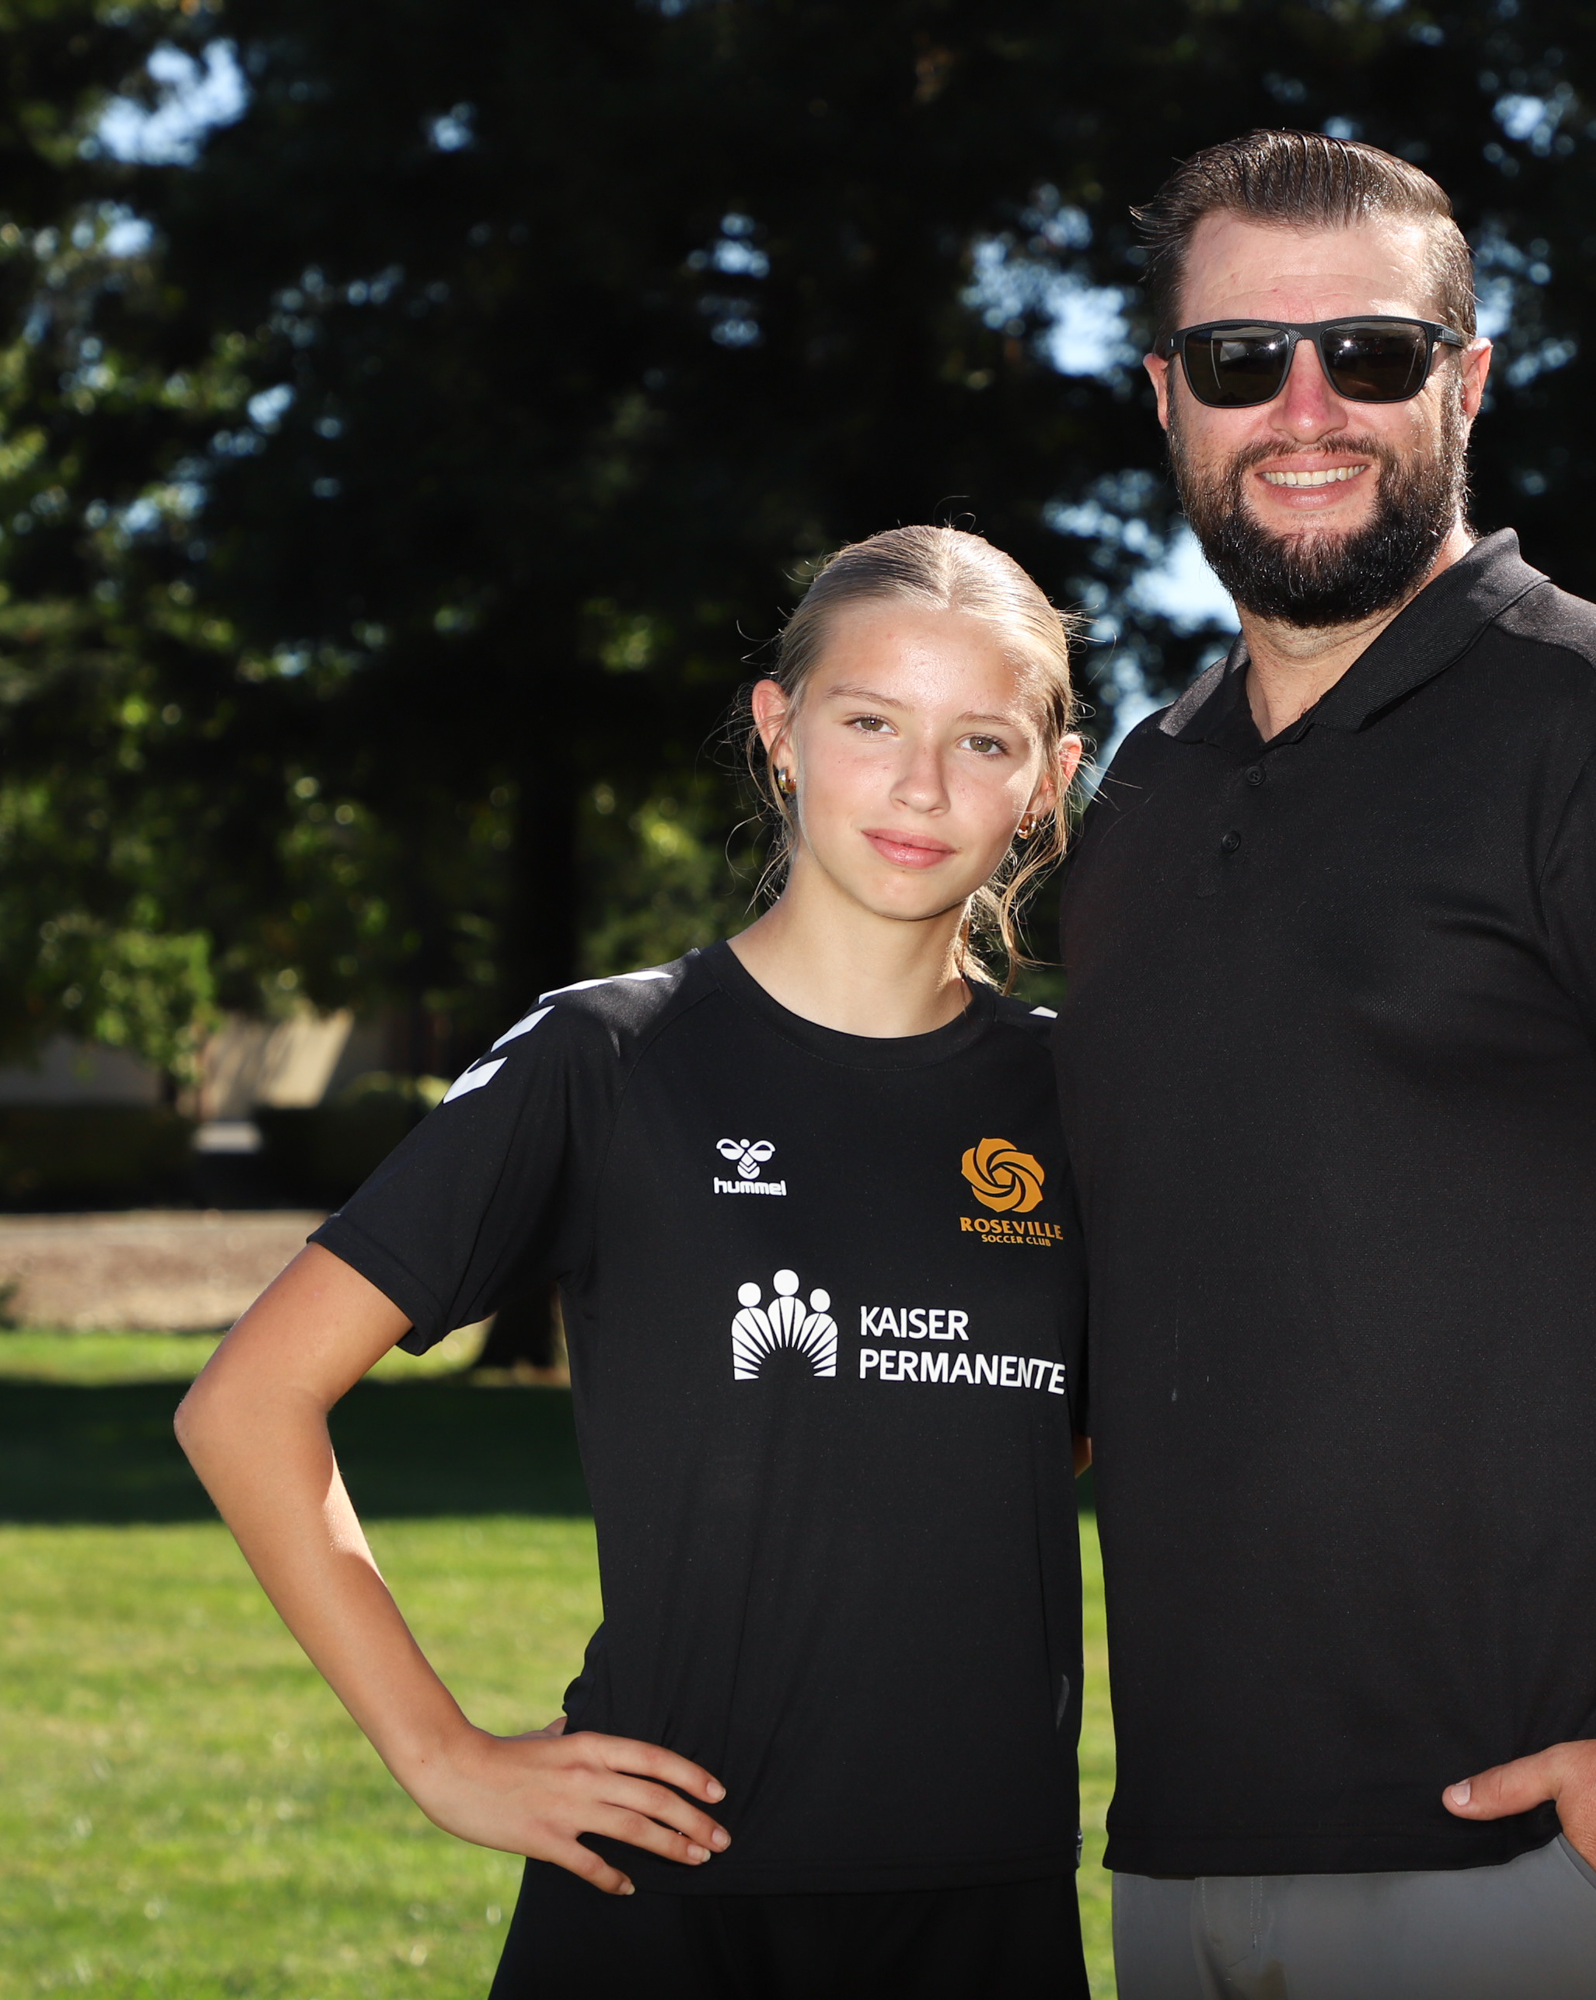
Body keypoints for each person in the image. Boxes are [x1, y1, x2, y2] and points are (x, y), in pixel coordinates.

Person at [1054, 131, 1596, 1999]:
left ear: (1466, 380)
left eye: (1370, 354)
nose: (1304, 409)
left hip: (1549, 1863)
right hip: (1185, 1863)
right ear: (1165, 396)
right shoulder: (1142, 798)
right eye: (1241, 359)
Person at [176, 525, 1094, 2000]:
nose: (921, 787)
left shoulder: (1084, 1099)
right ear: (780, 732)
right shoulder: (609, 1057)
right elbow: (245, 1405)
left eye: (981, 741)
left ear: (1050, 782)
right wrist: (442, 1756)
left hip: (985, 1902)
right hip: (662, 1889)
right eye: (871, 723)